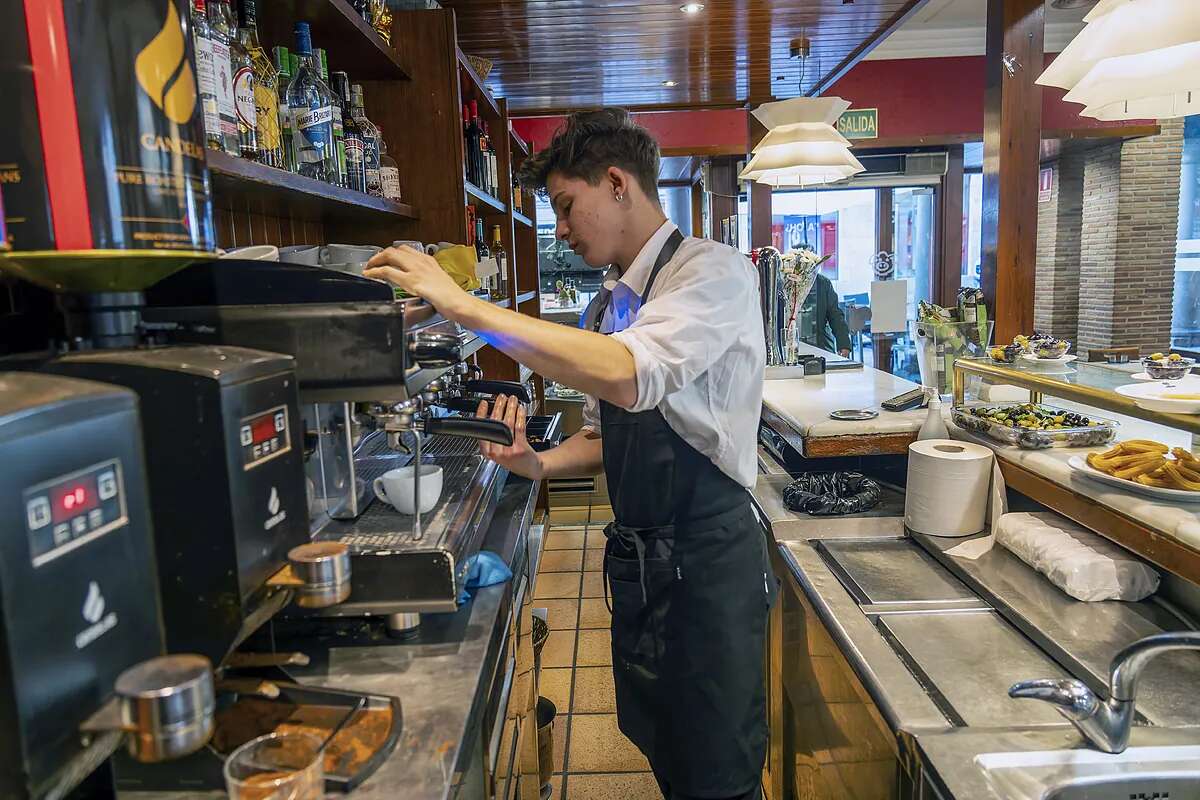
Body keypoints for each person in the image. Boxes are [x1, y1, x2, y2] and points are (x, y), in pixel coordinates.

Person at [364, 108, 774, 800]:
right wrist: (538, 464)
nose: (558, 229)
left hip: (708, 567)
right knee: (668, 750)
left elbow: (631, 374)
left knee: (720, 771)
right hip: (644, 568)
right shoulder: (608, 304)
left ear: (617, 183)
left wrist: (464, 306)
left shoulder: (714, 273)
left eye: (563, 206)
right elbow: (606, 434)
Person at [799, 272, 852, 357]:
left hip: (821, 347)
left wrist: (843, 343)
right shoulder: (780, 281)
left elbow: (836, 316)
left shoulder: (823, 283)